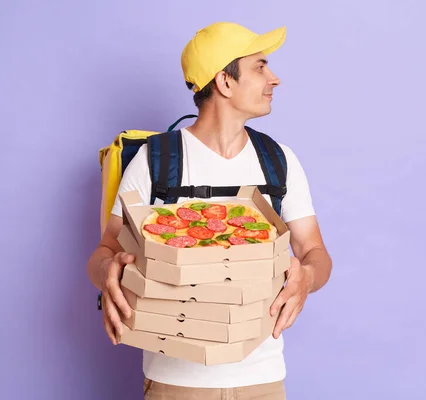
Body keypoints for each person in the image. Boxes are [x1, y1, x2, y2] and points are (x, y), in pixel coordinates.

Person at [86, 21, 332, 399]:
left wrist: (307, 278)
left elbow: (316, 253)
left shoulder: (278, 160)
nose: (275, 78)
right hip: (177, 381)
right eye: (260, 67)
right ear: (225, 82)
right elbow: (104, 251)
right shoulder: (156, 160)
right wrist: (107, 272)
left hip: (262, 378)